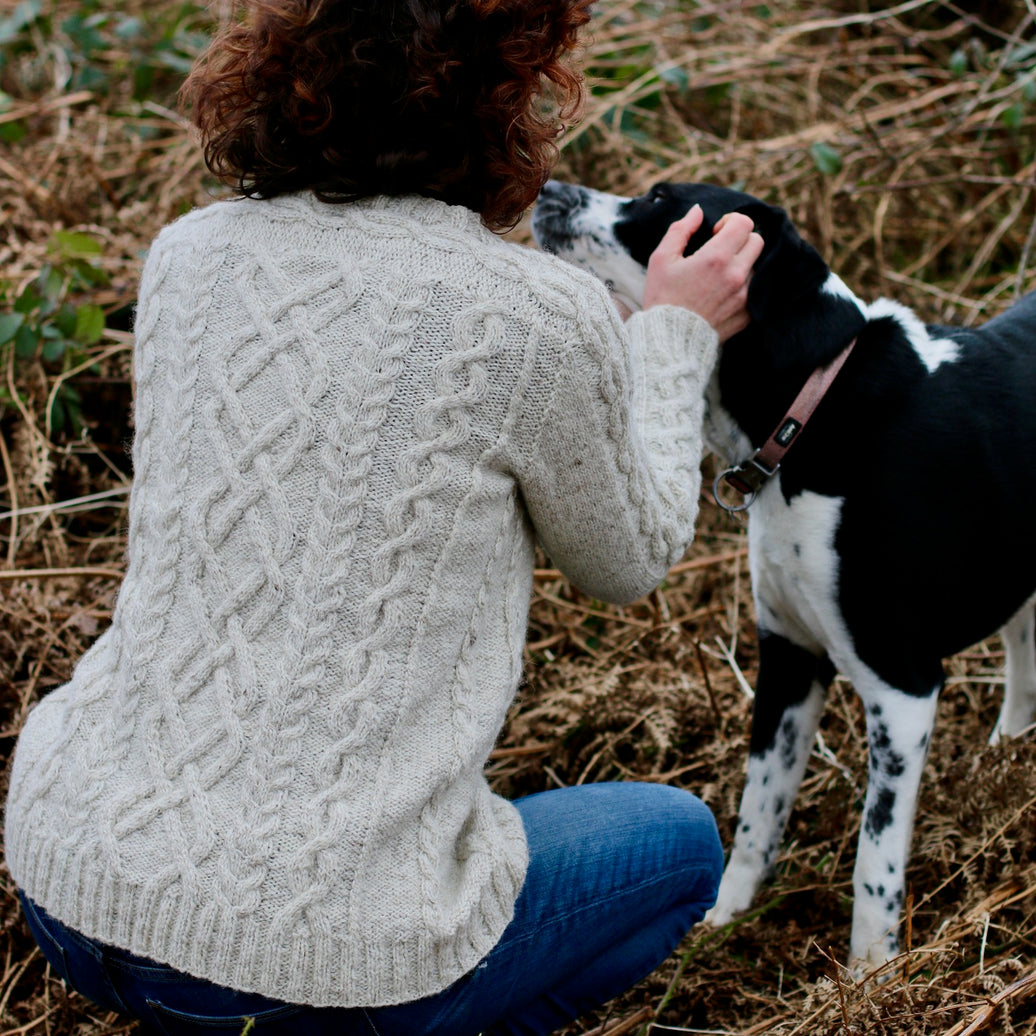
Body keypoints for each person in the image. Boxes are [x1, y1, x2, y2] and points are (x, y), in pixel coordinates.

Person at [5, 1, 764, 1033]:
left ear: (276, 66)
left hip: (70, 873)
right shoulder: (533, 312)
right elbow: (627, 558)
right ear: (503, 94)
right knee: (675, 842)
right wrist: (674, 334)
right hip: (303, 961)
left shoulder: (191, 253)